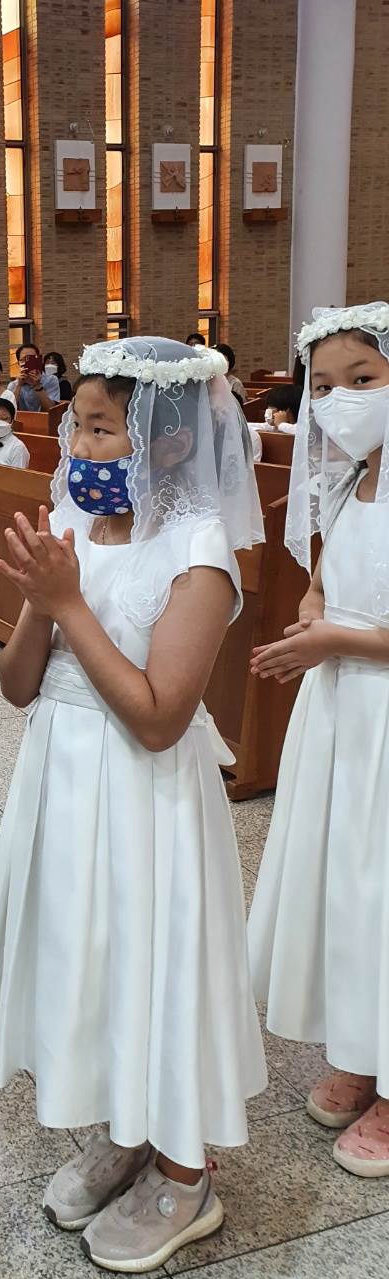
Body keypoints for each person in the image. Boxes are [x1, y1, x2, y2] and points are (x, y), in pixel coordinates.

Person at [0, 337, 266, 1273]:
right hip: (61, 782)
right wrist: (40, 600)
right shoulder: (74, 527)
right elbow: (17, 684)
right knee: (90, 959)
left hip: (145, 799)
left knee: (153, 961)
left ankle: (185, 1173)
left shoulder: (198, 554)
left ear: (167, 442)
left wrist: (69, 606)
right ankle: (128, 1130)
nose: (80, 450)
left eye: (102, 431)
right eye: (77, 429)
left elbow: (160, 718)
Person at [249, 302, 389, 1179]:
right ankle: (362, 1046)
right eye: (326, 387)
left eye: (363, 380)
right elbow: (326, 581)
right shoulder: (349, 482)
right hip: (341, 709)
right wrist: (312, 616)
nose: (342, 401)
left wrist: (337, 638)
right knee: (346, 884)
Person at [8, 342, 61, 413]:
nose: (28, 362)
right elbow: (9, 410)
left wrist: (37, 386)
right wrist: (19, 386)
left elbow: (51, 410)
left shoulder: (51, 380)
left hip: (45, 419)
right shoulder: (14, 385)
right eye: (23, 359)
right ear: (18, 363)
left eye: (31, 359)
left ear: (38, 360)